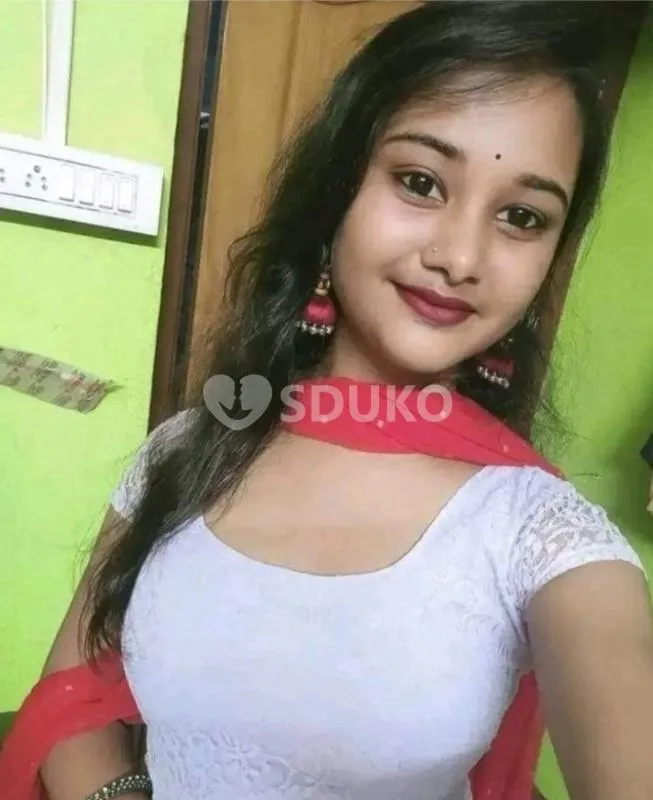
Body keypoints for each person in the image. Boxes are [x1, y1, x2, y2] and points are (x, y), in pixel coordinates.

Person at [4, 2, 653, 800]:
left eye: (521, 217)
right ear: (334, 191)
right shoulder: (187, 448)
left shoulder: (547, 540)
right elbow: (72, 699)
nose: (460, 256)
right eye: (419, 182)